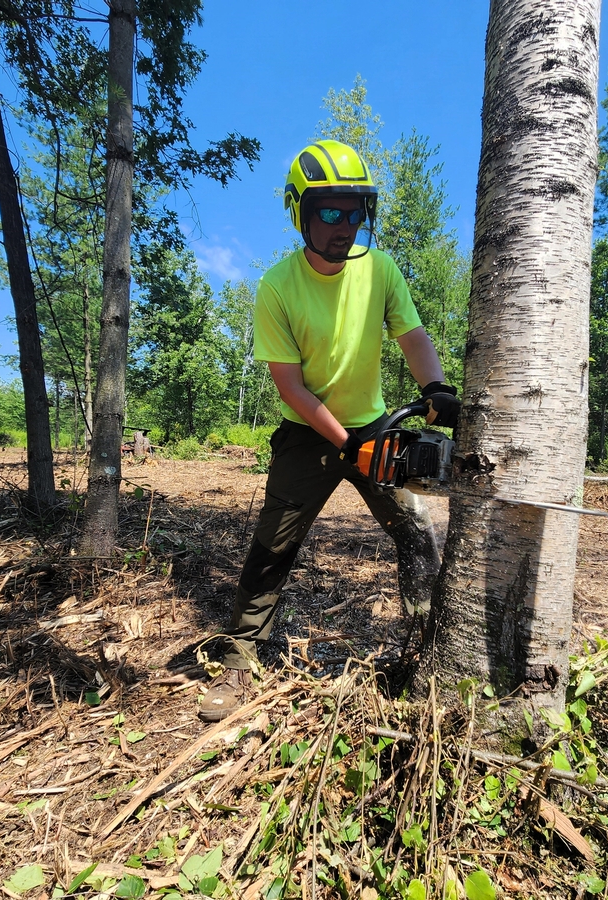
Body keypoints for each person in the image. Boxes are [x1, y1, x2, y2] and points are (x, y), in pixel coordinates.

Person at [199, 140, 460, 721]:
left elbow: (413, 336)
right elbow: (290, 386)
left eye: (355, 212)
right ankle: (240, 662)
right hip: (307, 435)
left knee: (418, 532)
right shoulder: (277, 287)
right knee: (274, 546)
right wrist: (349, 446)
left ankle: (430, 645)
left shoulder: (381, 270)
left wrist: (435, 389)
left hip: (375, 424)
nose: (345, 227)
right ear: (301, 213)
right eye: (331, 213)